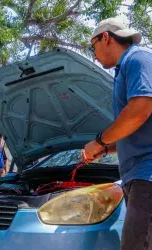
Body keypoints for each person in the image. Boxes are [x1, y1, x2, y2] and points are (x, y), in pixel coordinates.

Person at [82, 17, 152, 250]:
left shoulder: (137, 58)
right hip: (137, 176)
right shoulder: (126, 67)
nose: (94, 54)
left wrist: (100, 140)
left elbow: (140, 109)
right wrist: (106, 148)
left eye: (93, 46)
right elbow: (137, 130)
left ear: (106, 37)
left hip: (148, 176)